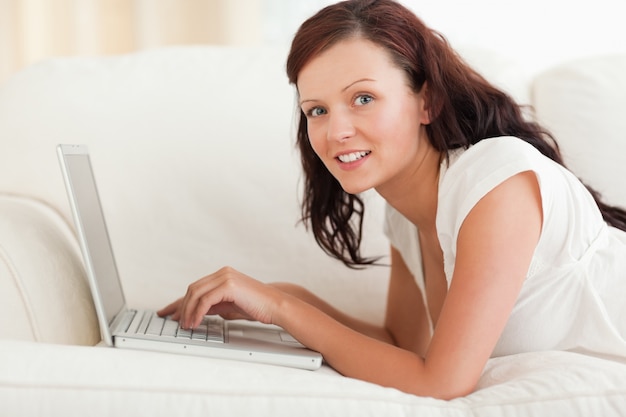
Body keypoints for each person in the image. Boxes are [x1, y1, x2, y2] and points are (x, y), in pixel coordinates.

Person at [158, 0, 626, 399]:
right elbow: (403, 346)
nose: (336, 131)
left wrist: (282, 310)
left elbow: (441, 382)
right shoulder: (407, 218)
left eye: (362, 98)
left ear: (428, 101)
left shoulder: (497, 181)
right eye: (316, 110)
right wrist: (282, 299)